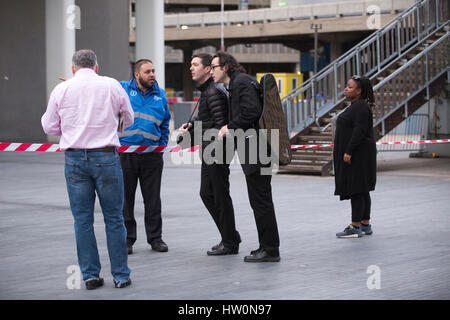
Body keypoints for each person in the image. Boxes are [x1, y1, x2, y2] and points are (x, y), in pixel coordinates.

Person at [41, 49, 134, 289]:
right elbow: (129, 118)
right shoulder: (112, 85)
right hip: (106, 157)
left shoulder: (62, 89)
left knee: (82, 220)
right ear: (96, 66)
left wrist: (71, 128)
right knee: (114, 218)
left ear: (73, 68)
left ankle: (91, 276)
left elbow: (49, 125)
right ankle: (121, 276)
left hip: (74, 160)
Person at [211, 51, 280, 262]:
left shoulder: (240, 83)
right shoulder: (241, 82)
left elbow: (251, 111)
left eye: (214, 67)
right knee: (260, 200)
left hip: (257, 149)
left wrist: (228, 127)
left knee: (261, 201)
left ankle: (270, 249)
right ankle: (266, 246)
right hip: (257, 147)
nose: (211, 71)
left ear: (225, 67)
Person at [179, 53, 241, 255]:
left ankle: (230, 241)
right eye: (191, 64)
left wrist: (198, 129)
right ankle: (229, 234)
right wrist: (193, 125)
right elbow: (208, 118)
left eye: (195, 64)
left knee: (219, 195)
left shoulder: (213, 92)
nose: (191, 68)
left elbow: (220, 124)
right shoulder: (208, 91)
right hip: (211, 149)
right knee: (207, 193)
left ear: (207, 69)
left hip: (217, 150)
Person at [119, 59, 171, 254]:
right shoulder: (122, 89)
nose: (152, 74)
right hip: (126, 154)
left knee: (152, 198)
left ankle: (155, 238)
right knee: (125, 198)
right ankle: (127, 239)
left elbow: (165, 123)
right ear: (137, 75)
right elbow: (100, 87)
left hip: (152, 155)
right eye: (147, 71)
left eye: (153, 71)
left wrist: (162, 146)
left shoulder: (161, 96)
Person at [334, 75, 377, 238]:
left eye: (350, 87)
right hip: (362, 153)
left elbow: (359, 131)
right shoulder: (359, 105)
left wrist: (349, 151)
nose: (346, 89)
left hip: (359, 154)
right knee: (363, 189)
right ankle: (365, 224)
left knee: (357, 189)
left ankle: (355, 226)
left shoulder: (360, 107)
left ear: (359, 91)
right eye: (347, 86)